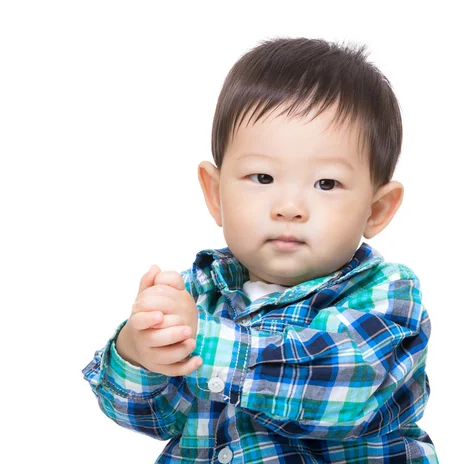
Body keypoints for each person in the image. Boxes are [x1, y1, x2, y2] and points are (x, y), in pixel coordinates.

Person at [82, 36, 438, 463]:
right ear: (215, 194)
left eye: (326, 184)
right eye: (262, 178)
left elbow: (345, 388)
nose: (288, 207)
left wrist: (202, 342)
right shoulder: (199, 294)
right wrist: (140, 355)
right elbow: (155, 418)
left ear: (376, 209)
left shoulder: (386, 294)